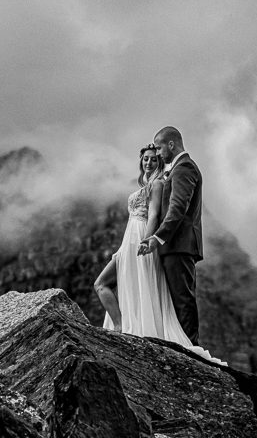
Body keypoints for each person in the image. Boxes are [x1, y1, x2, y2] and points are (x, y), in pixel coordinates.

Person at [94, 140, 222, 364]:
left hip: (142, 237)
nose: (149, 162)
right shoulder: (150, 184)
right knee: (105, 284)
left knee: (112, 283)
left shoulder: (159, 184)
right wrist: (125, 248)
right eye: (146, 159)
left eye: (155, 158)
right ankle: (121, 325)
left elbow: (154, 215)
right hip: (130, 239)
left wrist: (149, 239)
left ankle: (123, 327)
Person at [139, 126, 203, 345]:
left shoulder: (184, 168)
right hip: (175, 245)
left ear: (171, 144)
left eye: (159, 147)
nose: (157, 153)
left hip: (179, 245)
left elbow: (177, 209)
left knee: (182, 299)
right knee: (177, 299)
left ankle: (191, 349)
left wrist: (157, 237)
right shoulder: (177, 169)